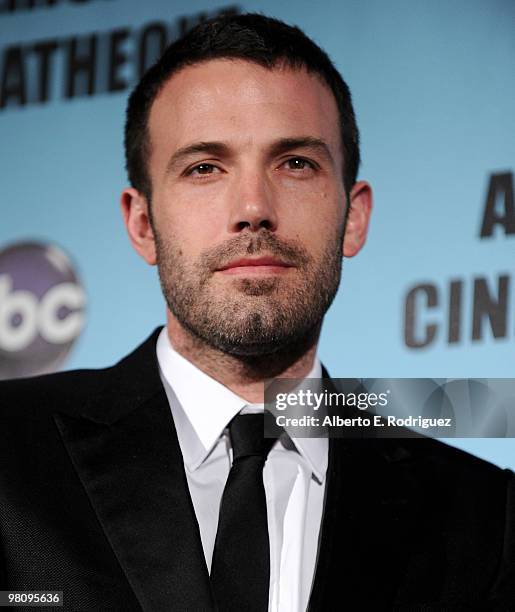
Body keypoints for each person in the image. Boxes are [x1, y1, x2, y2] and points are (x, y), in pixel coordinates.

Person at [1, 13, 514, 612]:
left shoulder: (484, 516)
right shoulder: (11, 455)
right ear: (142, 224)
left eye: (295, 163)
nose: (253, 208)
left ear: (354, 217)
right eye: (204, 168)